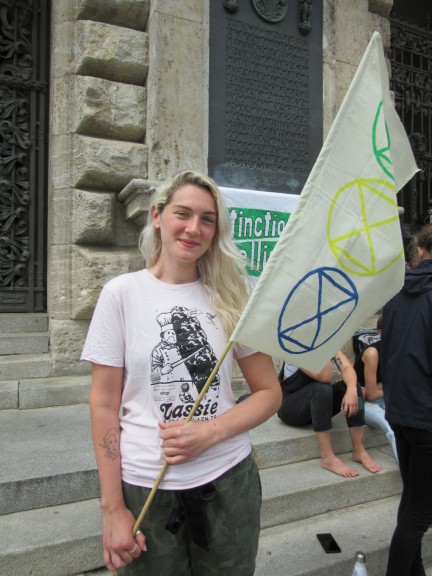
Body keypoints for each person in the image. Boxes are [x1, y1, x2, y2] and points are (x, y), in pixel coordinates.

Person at [81, 170, 282, 576]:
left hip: (228, 481)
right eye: (183, 214)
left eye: (207, 219)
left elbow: (269, 392)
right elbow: (103, 403)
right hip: (145, 488)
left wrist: (210, 432)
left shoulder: (232, 292)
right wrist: (112, 508)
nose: (194, 228)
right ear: (157, 215)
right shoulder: (121, 294)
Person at [380, 224, 432, 576]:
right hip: (426, 417)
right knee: (420, 513)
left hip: (400, 412)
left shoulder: (396, 293)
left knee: (412, 499)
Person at [277, 350, 381, 478]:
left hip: (317, 404)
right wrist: (324, 347)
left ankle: (359, 450)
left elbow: (347, 368)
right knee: (322, 388)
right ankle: (327, 457)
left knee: (353, 387)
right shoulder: (294, 347)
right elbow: (324, 376)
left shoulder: (327, 342)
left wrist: (352, 389)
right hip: (291, 409)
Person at [353, 318, 398, 462]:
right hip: (364, 402)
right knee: (392, 426)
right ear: (380, 332)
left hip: (389, 397)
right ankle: (409, 473)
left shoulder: (402, 350)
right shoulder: (372, 353)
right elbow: (371, 394)